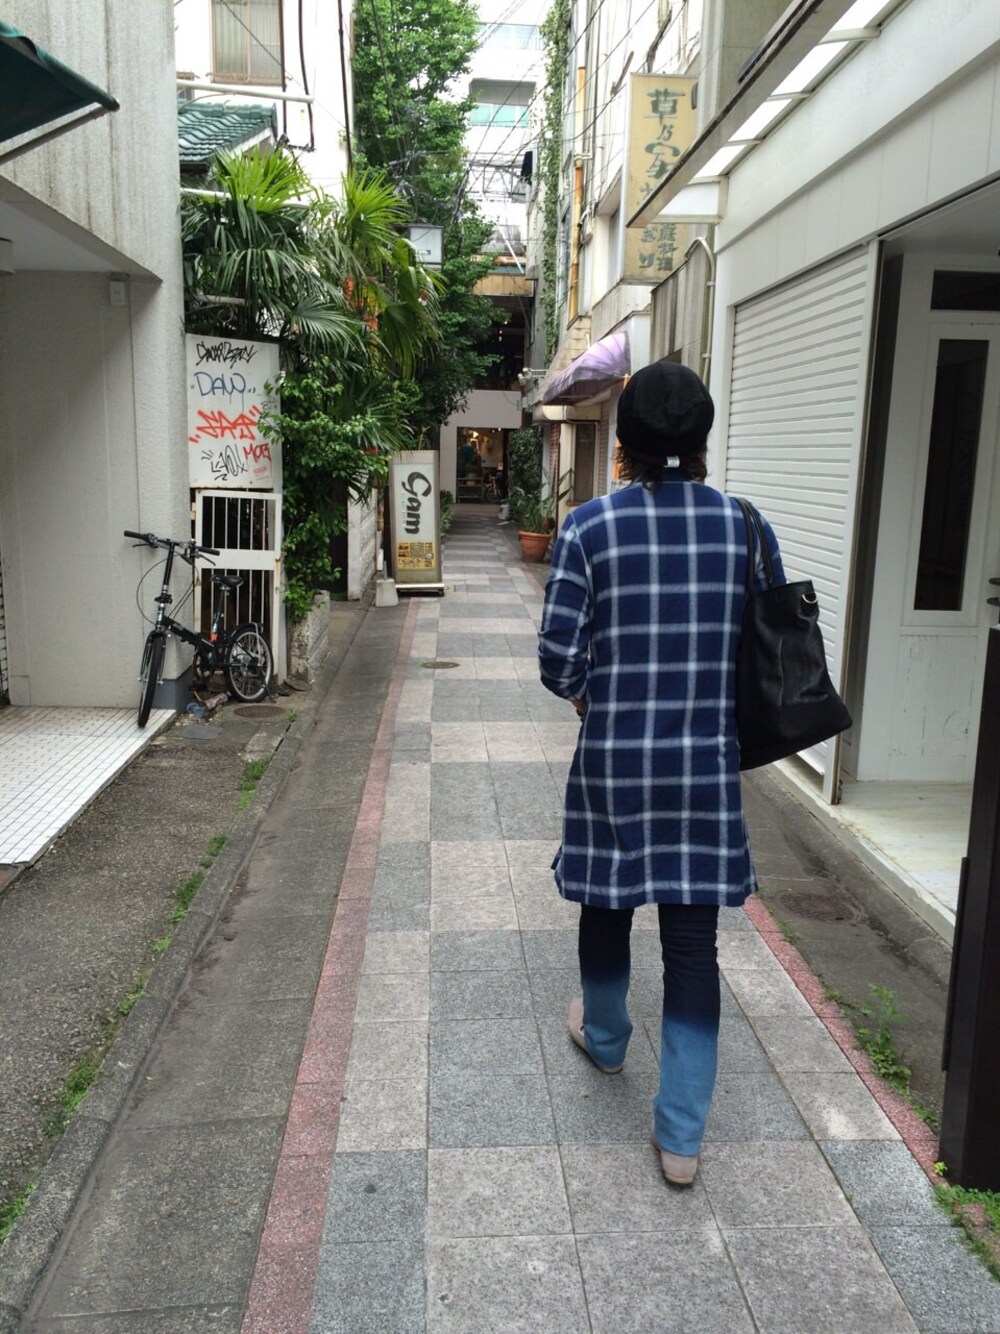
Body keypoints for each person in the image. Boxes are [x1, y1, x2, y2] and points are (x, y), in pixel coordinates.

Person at [537, 360, 783, 1187]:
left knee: (606, 905)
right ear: (702, 439)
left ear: (627, 443)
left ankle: (606, 1040)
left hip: (615, 760)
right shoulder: (744, 527)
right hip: (704, 767)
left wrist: (593, 700)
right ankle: (681, 1138)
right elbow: (768, 648)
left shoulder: (589, 528)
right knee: (691, 945)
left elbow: (557, 659)